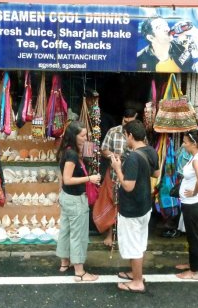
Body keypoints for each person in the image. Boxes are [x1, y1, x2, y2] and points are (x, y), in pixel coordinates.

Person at [110, 120, 160, 293]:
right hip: (145, 205)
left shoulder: (132, 157)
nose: (125, 139)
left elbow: (128, 186)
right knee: (138, 243)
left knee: (134, 246)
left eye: (125, 136)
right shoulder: (151, 151)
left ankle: (137, 282)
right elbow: (156, 173)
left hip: (132, 208)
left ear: (130, 135)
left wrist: (117, 168)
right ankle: (134, 273)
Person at [56, 120, 101, 282]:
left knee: (66, 231)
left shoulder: (68, 151)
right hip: (75, 200)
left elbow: (64, 177)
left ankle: (64, 263)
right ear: (73, 136)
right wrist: (90, 178)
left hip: (67, 197)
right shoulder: (72, 155)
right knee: (78, 235)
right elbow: (67, 179)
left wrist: (59, 193)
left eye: (86, 134)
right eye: (82, 135)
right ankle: (80, 272)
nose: (86, 137)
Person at [100, 109, 137, 246]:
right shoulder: (113, 131)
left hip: (131, 177)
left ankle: (125, 236)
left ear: (135, 118)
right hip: (114, 175)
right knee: (111, 204)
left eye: (130, 122)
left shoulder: (138, 133)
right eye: (124, 121)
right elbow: (104, 149)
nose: (126, 125)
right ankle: (109, 235)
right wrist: (114, 156)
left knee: (127, 206)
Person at [175, 129, 198, 280]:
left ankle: (194, 271)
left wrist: (194, 192)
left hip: (193, 204)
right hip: (192, 204)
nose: (183, 144)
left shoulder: (196, 160)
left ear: (193, 144)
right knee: (192, 236)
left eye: (185, 142)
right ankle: (192, 263)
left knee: (194, 237)